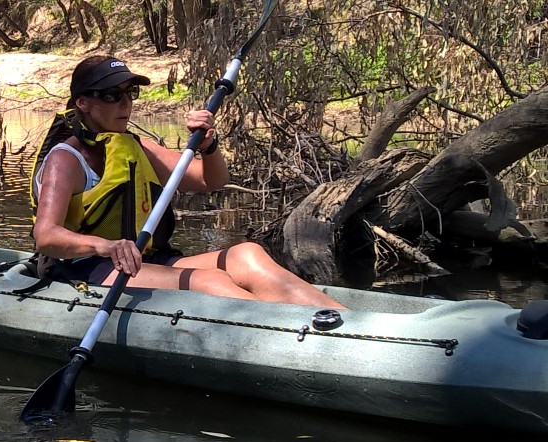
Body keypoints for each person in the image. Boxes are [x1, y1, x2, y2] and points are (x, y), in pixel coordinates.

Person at [31, 54, 343, 307]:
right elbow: (45, 236)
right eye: (112, 95)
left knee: (248, 256)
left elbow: (211, 180)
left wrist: (209, 146)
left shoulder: (135, 148)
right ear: (83, 103)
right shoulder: (65, 159)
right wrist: (106, 246)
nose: (125, 103)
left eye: (130, 93)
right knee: (210, 281)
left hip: (148, 261)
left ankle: (343, 322)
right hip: (85, 266)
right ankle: (291, 335)